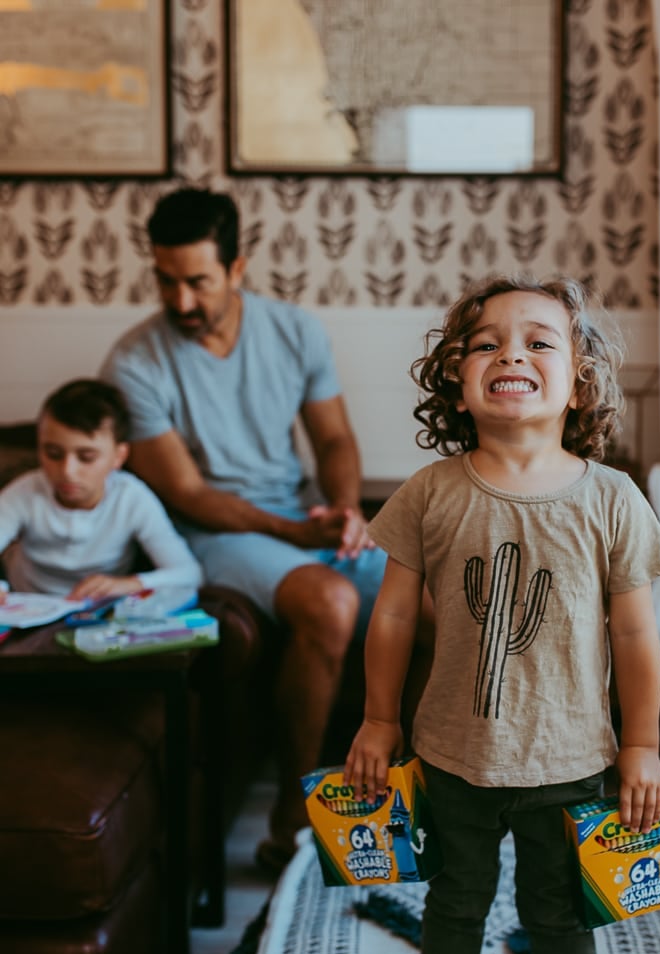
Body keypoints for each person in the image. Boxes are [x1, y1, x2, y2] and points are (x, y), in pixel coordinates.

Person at [344, 274, 660, 954]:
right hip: (452, 751)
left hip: (570, 759)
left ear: (579, 383)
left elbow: (639, 632)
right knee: (453, 908)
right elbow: (392, 618)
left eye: (539, 341)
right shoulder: (430, 493)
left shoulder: (611, 498)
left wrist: (641, 743)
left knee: (562, 920)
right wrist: (379, 721)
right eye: (487, 342)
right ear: (457, 381)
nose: (511, 355)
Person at [100, 185, 392, 874]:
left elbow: (336, 441)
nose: (181, 302)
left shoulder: (295, 330)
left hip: (303, 521)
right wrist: (296, 534)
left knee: (441, 605)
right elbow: (187, 494)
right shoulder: (132, 362)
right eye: (165, 281)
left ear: (237, 268)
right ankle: (292, 818)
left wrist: (347, 511)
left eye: (197, 281)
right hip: (211, 536)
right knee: (331, 601)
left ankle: (421, 802)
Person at [0, 378, 202, 600]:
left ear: (119, 456)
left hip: (96, 613)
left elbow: (189, 573)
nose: (68, 471)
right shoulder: (23, 493)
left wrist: (130, 584)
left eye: (86, 457)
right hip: (27, 604)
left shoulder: (132, 498)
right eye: (53, 454)